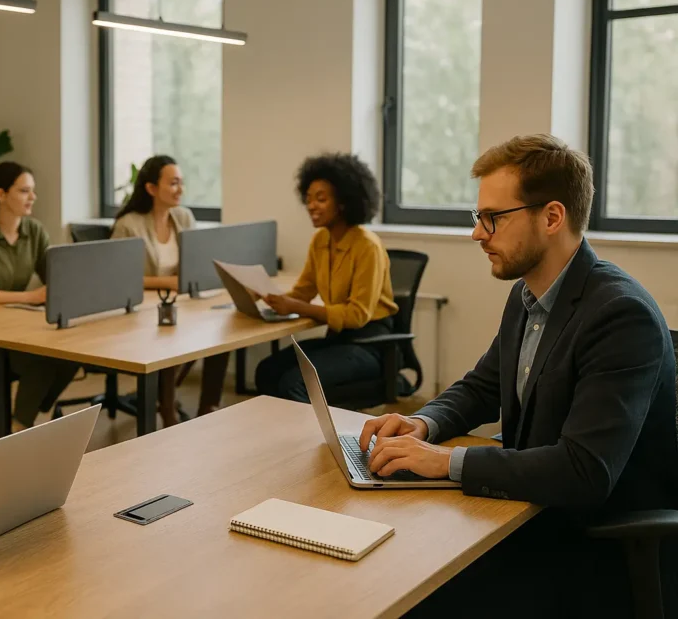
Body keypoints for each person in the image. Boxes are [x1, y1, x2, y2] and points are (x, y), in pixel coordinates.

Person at [359, 135, 678, 617]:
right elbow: (485, 385)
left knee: (410, 594)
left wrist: (444, 462)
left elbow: (583, 472)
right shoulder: (530, 293)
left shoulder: (619, 316)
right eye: (477, 217)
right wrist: (423, 425)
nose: (477, 234)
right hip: (529, 514)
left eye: (493, 218)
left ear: (552, 217)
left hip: (593, 545)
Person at [254, 153, 398, 403]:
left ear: (343, 202)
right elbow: (302, 292)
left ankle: (310, 442)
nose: (311, 205)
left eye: (321, 199)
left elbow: (356, 315)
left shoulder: (368, 247)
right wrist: (264, 295)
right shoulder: (321, 240)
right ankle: (283, 440)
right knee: (266, 371)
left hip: (371, 344)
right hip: (338, 340)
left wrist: (297, 307)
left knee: (294, 382)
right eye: (308, 199)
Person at [0, 161, 80, 432]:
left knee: (76, 350)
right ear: (1, 195)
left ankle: (26, 415)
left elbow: (53, 276)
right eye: (24, 191)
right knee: (43, 357)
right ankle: (21, 426)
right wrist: (31, 297)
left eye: (32, 191)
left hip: (16, 325)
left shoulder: (34, 231)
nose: (32, 197)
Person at [111, 155, 229, 425]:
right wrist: (168, 283)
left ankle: (209, 406)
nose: (180, 189)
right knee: (170, 334)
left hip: (180, 302)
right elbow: (119, 279)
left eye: (182, 183)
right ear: (151, 188)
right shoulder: (128, 224)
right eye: (173, 183)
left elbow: (196, 261)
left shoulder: (183, 217)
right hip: (141, 309)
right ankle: (167, 410)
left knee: (224, 329)